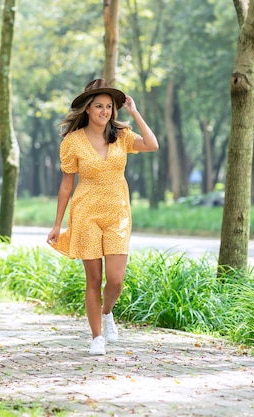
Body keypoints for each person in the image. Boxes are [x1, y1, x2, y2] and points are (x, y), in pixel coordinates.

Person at [47, 79, 159, 355]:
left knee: (116, 279)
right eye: (99, 106)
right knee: (93, 279)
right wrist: (58, 223)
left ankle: (107, 313)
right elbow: (65, 186)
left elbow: (152, 144)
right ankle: (97, 337)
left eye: (109, 107)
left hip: (118, 212)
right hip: (85, 213)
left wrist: (134, 112)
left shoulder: (121, 135)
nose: (105, 111)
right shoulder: (72, 142)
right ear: (87, 109)